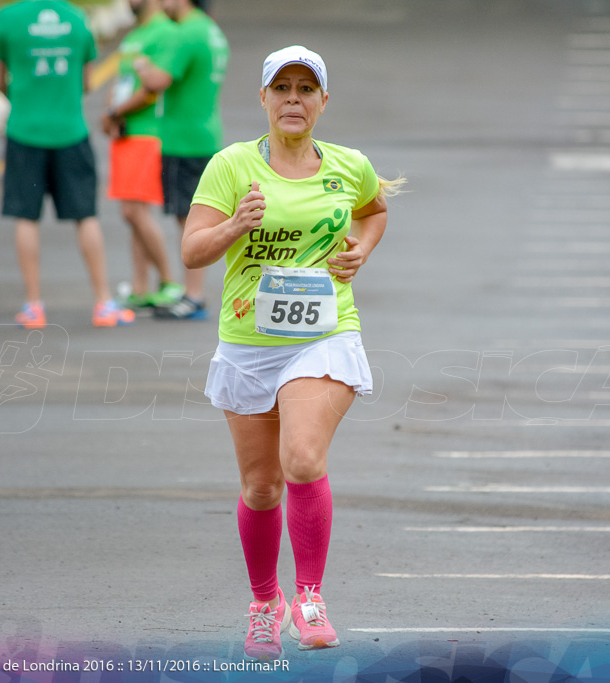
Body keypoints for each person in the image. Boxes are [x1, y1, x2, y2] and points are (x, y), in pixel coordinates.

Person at [183, 45, 402, 660]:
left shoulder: (349, 166)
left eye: (307, 89)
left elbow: (375, 209)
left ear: (323, 101)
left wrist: (362, 248)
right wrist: (233, 227)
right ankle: (263, 602)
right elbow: (192, 252)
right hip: (250, 344)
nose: (294, 100)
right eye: (282, 89)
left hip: (325, 333)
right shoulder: (230, 167)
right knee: (260, 486)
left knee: (302, 458)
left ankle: (309, 596)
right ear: (263, 99)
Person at [0, 0, 134, 328]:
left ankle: (34, 305)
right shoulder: (77, 19)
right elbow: (86, 82)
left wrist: (26, 101)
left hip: (25, 131)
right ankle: (103, 302)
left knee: (26, 217)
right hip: (70, 130)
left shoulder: (9, 18)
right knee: (85, 216)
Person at [136, 0, 228, 320]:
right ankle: (191, 293)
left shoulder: (185, 33)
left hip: (183, 139)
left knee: (187, 219)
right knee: (197, 215)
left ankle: (193, 295)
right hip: (206, 134)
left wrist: (140, 65)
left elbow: (157, 80)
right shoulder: (211, 31)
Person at [100, 0, 183, 312]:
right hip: (125, 131)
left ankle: (169, 281)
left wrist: (115, 111)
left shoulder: (165, 33)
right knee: (132, 212)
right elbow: (121, 80)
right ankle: (139, 287)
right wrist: (110, 114)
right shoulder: (135, 35)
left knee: (134, 211)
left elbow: (152, 88)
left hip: (147, 131)